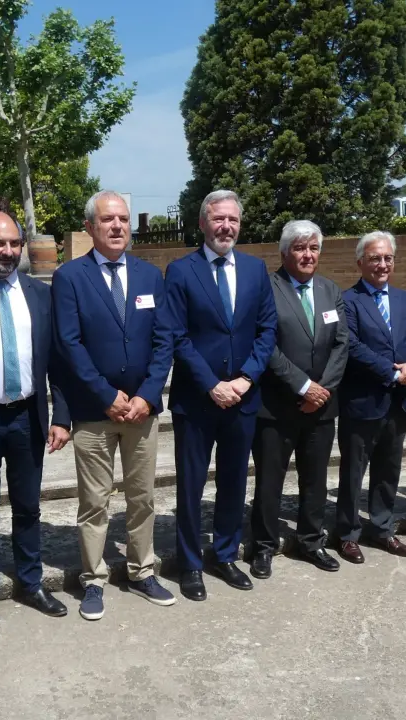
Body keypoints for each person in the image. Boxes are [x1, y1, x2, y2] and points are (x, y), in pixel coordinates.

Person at [51, 190, 176, 621]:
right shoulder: (70, 277)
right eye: (108, 219)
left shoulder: (149, 276)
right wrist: (105, 395)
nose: (118, 226)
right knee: (94, 501)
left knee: (143, 497)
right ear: (90, 227)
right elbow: (68, 344)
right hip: (94, 412)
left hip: (142, 411)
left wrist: (147, 394)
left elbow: (164, 341)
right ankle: (93, 579)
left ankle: (143, 571)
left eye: (123, 218)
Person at [0, 210, 72, 631]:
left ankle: (30, 582)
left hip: (28, 417)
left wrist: (62, 415)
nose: (7, 251)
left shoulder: (39, 294)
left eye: (14, 244)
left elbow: (57, 360)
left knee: (28, 506)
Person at [158, 190, 277, 601]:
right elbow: (176, 335)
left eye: (233, 220)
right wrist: (212, 383)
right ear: (203, 223)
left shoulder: (255, 270)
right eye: (218, 219)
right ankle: (190, 564)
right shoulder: (180, 271)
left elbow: (267, 330)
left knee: (233, 481)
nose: (226, 227)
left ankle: (225, 554)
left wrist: (245, 379)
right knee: (190, 486)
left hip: (243, 398)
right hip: (196, 399)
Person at [248, 220, 348, 578]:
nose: (308, 255)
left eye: (314, 248)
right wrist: (303, 386)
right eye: (300, 248)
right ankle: (263, 546)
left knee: (315, 479)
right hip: (277, 406)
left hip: (322, 407)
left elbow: (342, 344)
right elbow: (265, 344)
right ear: (284, 252)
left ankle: (311, 541)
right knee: (269, 482)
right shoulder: (266, 289)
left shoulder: (330, 290)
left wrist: (322, 390)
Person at [336, 231, 406, 563]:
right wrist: (392, 372)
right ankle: (347, 534)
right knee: (353, 472)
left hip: (398, 401)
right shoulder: (347, 300)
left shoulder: (405, 300)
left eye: (388, 258)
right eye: (375, 258)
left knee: (388, 471)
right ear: (360, 262)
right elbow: (352, 346)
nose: (382, 264)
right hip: (362, 401)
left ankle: (382, 528)